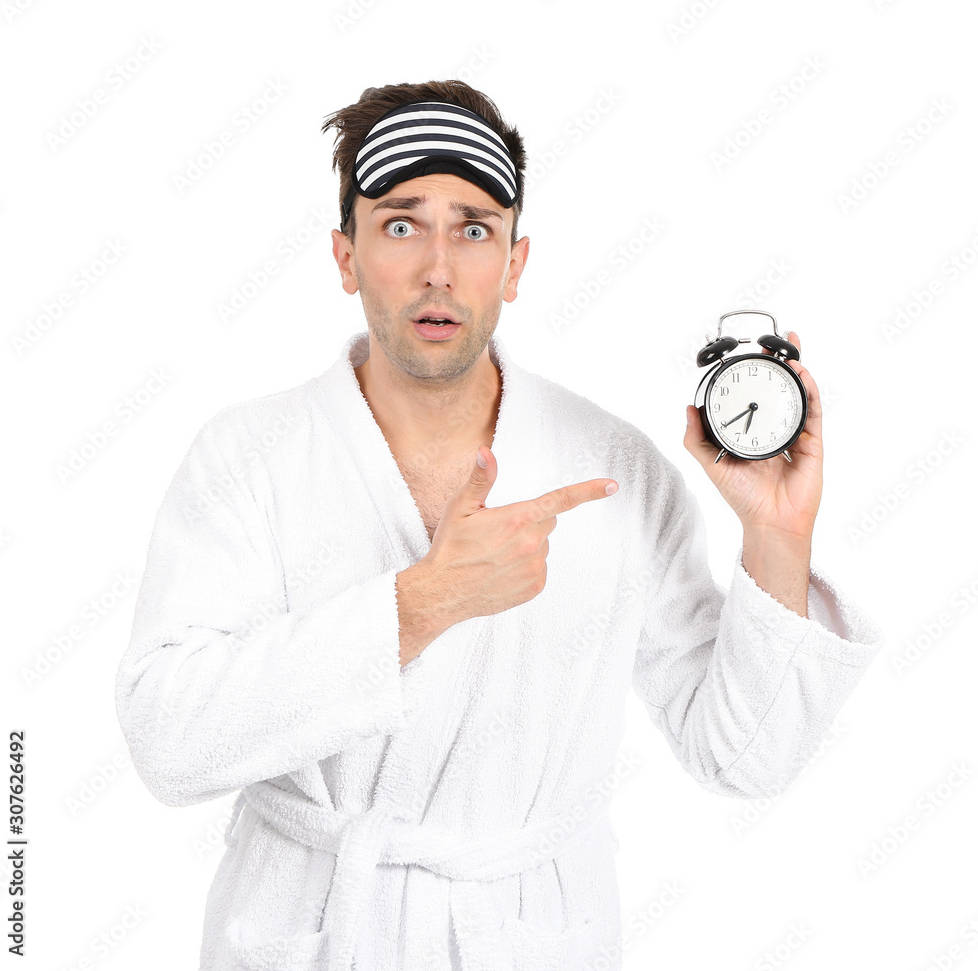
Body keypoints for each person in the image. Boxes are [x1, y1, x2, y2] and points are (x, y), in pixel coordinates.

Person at [114, 80, 883, 971]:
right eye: (401, 224)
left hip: (528, 939)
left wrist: (777, 538)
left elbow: (742, 760)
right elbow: (167, 743)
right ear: (344, 255)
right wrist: (421, 605)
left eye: (474, 229)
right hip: (312, 933)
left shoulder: (613, 468)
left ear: (514, 265)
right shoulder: (246, 457)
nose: (438, 267)